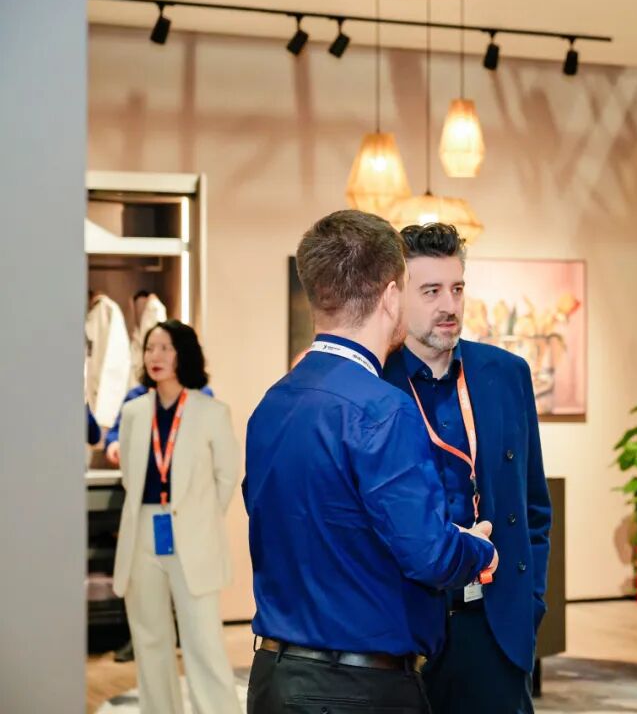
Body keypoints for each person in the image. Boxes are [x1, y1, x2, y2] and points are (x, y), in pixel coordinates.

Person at [244, 210, 498, 714]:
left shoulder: (273, 402)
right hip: (356, 688)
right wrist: (478, 550)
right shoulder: (383, 408)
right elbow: (428, 554)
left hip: (273, 676)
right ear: (390, 296)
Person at [383, 223, 552, 714]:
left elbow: (534, 506)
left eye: (456, 289)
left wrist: (529, 604)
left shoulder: (506, 375)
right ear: (396, 296)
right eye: (431, 291)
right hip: (406, 627)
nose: (449, 305)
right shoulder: (376, 382)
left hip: (494, 624)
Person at [111, 319, 241, 714]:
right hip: (143, 532)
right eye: (150, 348)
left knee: (202, 639)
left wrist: (200, 519)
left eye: (166, 347)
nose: (156, 356)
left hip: (193, 535)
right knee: (150, 639)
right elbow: (130, 477)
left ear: (184, 354)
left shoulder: (211, 411)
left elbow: (226, 477)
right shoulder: (134, 412)